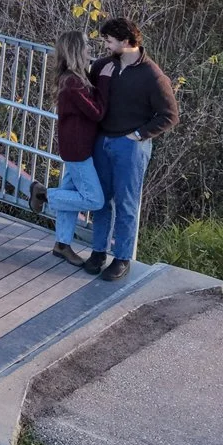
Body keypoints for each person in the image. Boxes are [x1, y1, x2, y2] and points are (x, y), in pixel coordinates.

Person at [85, 17, 177, 282]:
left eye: (109, 41)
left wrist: (138, 135)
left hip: (131, 147)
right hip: (102, 141)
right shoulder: (103, 66)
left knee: (126, 203)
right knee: (101, 200)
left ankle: (122, 258)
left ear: (126, 42)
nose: (105, 45)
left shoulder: (152, 75)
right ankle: (98, 252)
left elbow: (170, 115)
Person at [31, 29, 106, 267]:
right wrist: (106, 86)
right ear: (76, 50)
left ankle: (62, 244)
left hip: (76, 145)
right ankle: (43, 194)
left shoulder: (74, 77)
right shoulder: (73, 83)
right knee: (94, 200)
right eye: (85, 46)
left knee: (71, 195)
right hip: (78, 149)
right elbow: (97, 112)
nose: (89, 50)